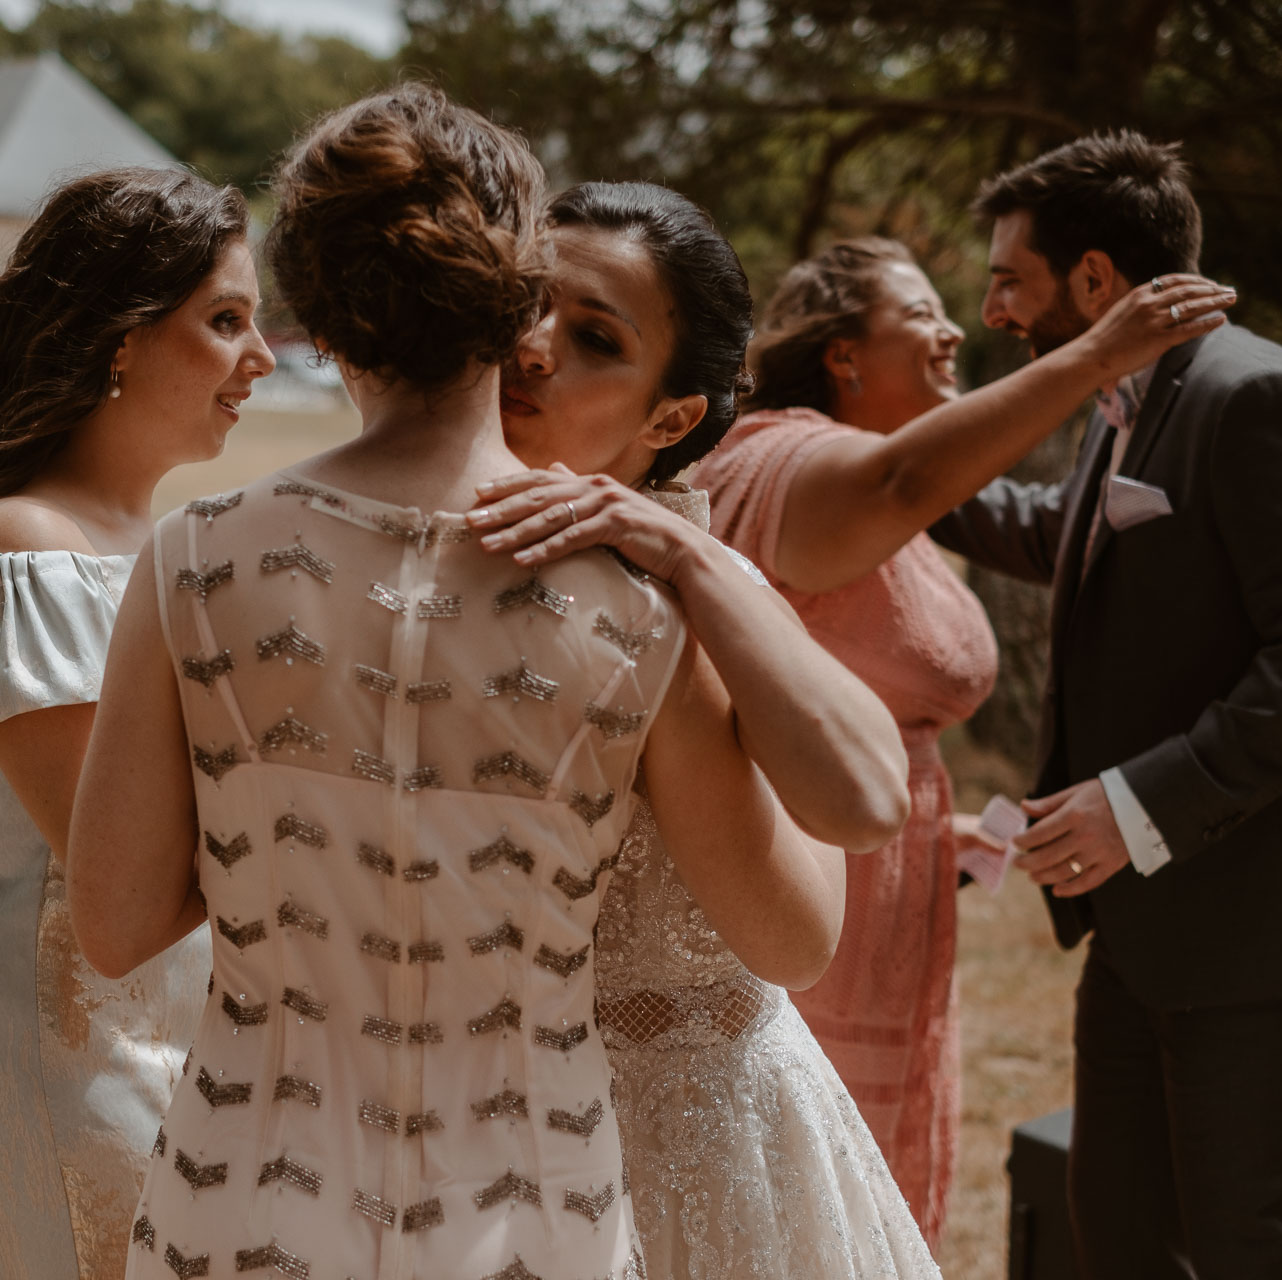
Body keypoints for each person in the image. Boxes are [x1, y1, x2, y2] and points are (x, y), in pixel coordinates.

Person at [69, 86, 839, 1280]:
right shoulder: (637, 599)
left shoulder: (194, 555)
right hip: (528, 1216)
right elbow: (788, 928)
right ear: (520, 301)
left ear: (313, 308)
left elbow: (114, 921)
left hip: (246, 1197)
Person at [688, 235, 1232, 1245]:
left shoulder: (897, 488)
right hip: (822, 882)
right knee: (811, 1199)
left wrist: (965, 848)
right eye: (919, 314)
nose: (951, 330)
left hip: (898, 881)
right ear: (844, 355)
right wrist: (1092, 354)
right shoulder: (794, 459)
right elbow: (894, 486)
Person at [933, 132, 1282, 1280]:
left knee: (1247, 1246)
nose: (991, 308)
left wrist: (1134, 806)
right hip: (1141, 921)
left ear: (1094, 281)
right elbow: (1058, 531)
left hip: (1255, 917)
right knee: (1118, 1233)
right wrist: (897, 471)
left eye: (1008, 278)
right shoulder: (1125, 397)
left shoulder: (1256, 393)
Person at [466, 179, 937, 1277]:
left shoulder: (688, 599)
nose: (531, 347)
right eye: (522, 303)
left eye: (591, 337)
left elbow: (856, 824)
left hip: (691, 1147)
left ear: (671, 419)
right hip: (470, 1138)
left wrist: (683, 554)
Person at [0, 167, 270, 1279]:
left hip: (188, 1033)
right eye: (224, 322)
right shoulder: (20, 549)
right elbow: (112, 856)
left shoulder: (154, 537)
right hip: (71, 1053)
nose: (260, 359)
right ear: (120, 338)